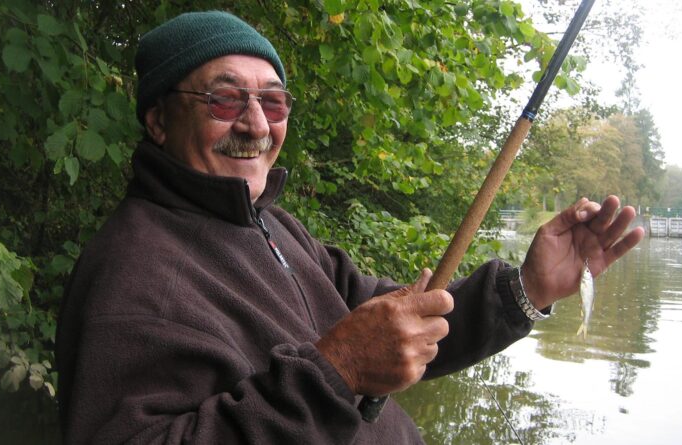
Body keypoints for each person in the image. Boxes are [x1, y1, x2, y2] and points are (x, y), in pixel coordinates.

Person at [55, 11, 644, 444]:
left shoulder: (275, 228)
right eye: (225, 100)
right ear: (158, 119)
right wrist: (337, 372)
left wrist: (528, 289)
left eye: (273, 101)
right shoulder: (131, 275)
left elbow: (405, 329)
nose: (256, 124)